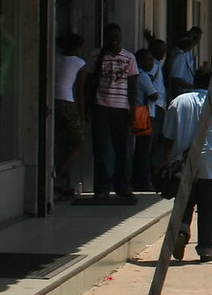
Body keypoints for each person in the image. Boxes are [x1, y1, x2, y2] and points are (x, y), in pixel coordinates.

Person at [160, 67, 212, 263]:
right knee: (208, 207)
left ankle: (182, 230)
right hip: (211, 163)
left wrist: (164, 160)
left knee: (184, 201)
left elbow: (168, 137)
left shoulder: (178, 102)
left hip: (182, 163)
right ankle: (206, 250)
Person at [86, 23, 139, 200]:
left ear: (121, 37)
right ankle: (102, 187)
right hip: (101, 108)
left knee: (123, 150)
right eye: (111, 36)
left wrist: (132, 111)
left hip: (121, 110)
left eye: (117, 36)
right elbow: (89, 83)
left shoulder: (129, 58)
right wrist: (88, 107)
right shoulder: (96, 56)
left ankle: (122, 186)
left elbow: (133, 87)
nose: (114, 40)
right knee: (102, 149)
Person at [53, 33, 87, 199]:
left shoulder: (54, 59)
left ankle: (58, 177)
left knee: (57, 141)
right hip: (67, 101)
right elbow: (80, 91)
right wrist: (82, 114)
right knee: (79, 144)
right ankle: (58, 177)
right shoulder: (79, 63)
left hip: (52, 101)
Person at [132, 49, 159, 192]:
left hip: (138, 113)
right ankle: (144, 181)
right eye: (148, 60)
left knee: (141, 149)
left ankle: (139, 179)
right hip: (146, 115)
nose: (151, 63)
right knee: (145, 150)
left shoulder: (136, 76)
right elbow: (154, 95)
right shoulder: (143, 76)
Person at [166, 32, 196, 102]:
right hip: (182, 93)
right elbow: (176, 79)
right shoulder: (179, 56)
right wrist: (192, 86)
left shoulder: (186, 54)